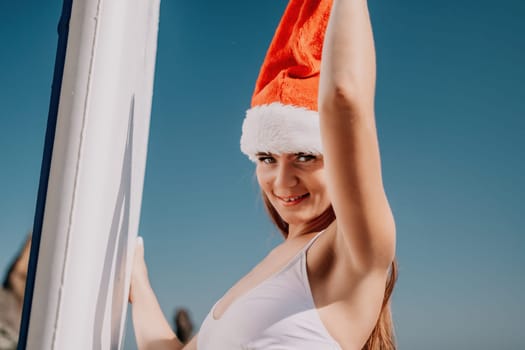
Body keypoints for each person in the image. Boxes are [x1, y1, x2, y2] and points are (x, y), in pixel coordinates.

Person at [129, 0, 398, 349]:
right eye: (268, 158)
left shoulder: (357, 248)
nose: (283, 181)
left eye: (305, 156)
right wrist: (139, 284)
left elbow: (343, 97)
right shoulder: (274, 267)